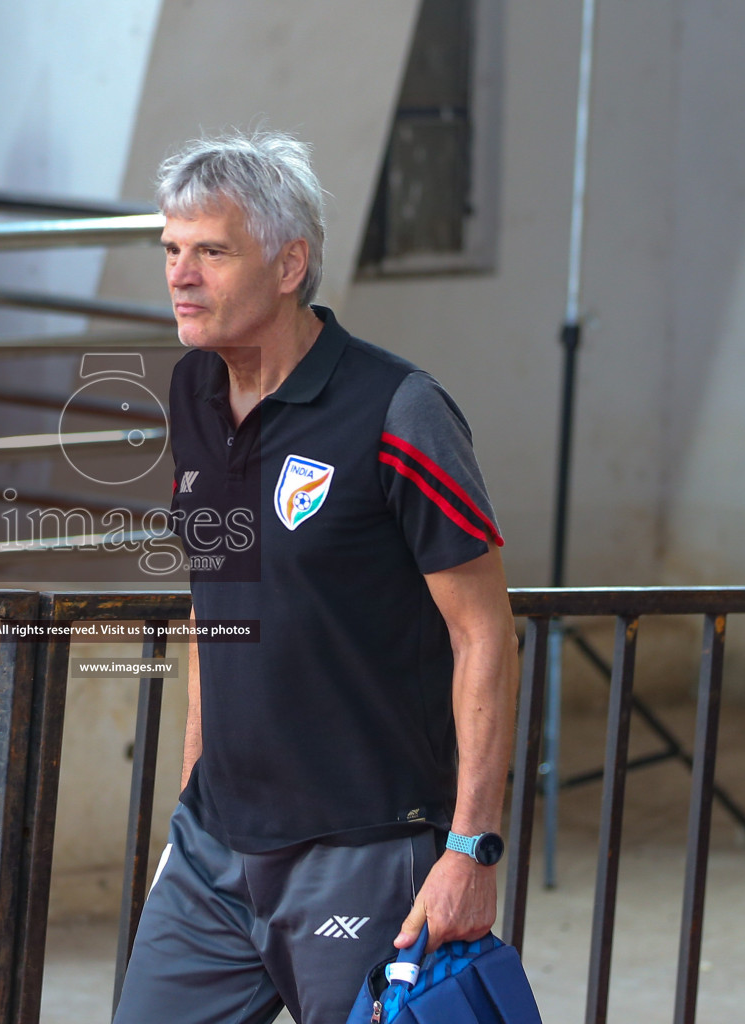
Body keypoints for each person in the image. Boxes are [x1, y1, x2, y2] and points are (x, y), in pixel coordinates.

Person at [112, 131, 520, 1024]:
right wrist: (191, 803)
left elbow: (482, 630)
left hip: (366, 848)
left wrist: (470, 850)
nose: (181, 275)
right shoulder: (191, 392)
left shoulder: (400, 410)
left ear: (291, 263)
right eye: (172, 251)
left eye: (212, 252)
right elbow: (211, 603)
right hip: (215, 848)